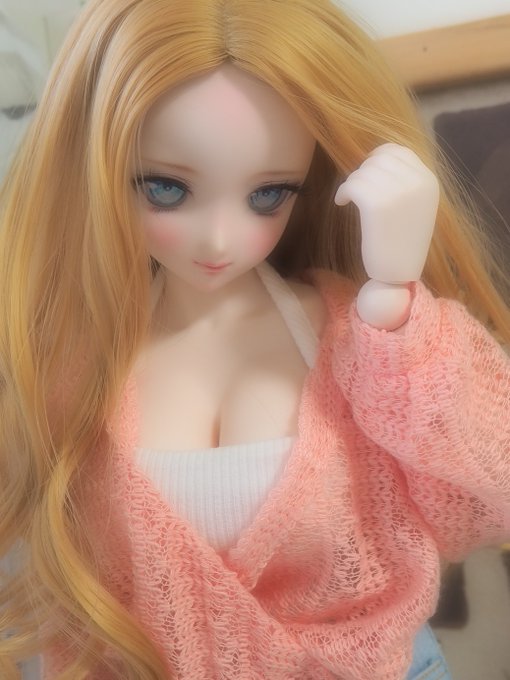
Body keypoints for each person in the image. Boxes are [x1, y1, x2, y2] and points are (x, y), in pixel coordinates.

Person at [0, 0, 509, 678]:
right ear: (96, 169)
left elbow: (484, 500)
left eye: (268, 195)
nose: (219, 240)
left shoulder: (360, 339)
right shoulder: (67, 367)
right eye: (165, 188)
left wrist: (394, 307)